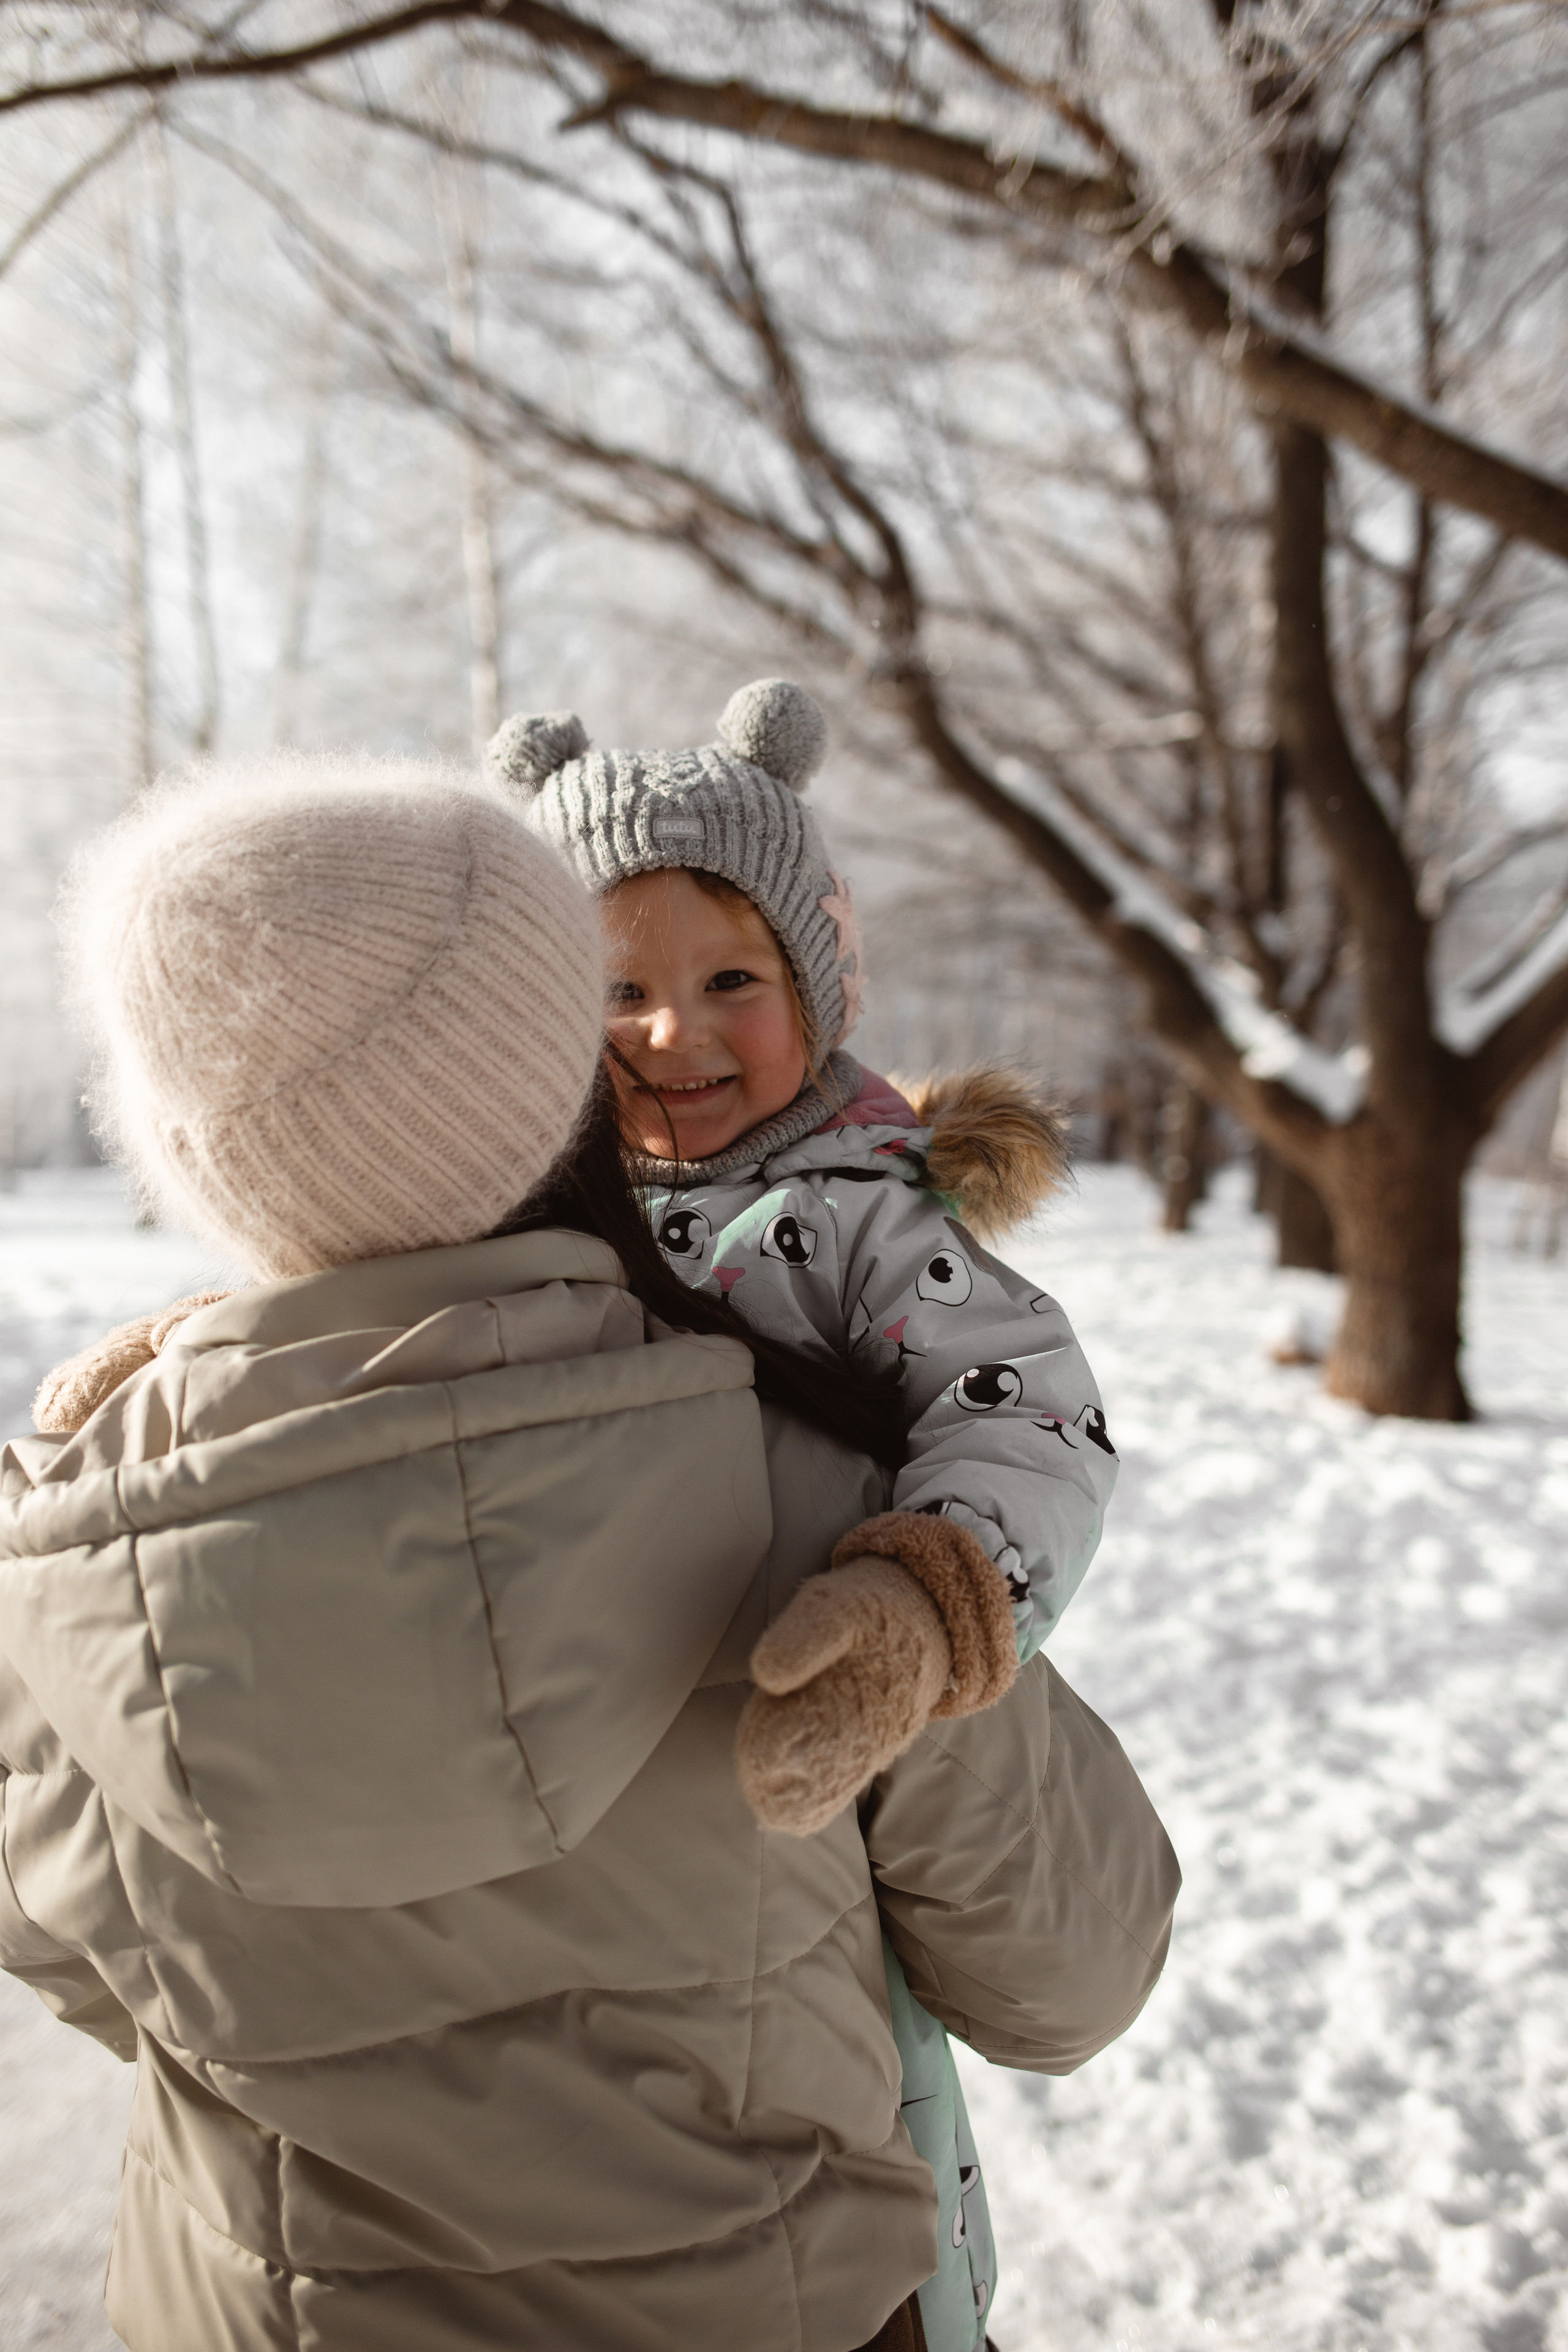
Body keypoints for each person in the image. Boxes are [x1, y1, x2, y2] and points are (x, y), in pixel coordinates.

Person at [3, 753, 1179, 2352]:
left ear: (202, 1148)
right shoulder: (815, 1517)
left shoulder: (63, 1570)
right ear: (546, 1057)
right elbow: (1071, 1974)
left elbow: (83, 1967)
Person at [482, 678, 1132, 2345]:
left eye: (731, 982)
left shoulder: (859, 1220)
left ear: (818, 986)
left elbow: (1030, 1417)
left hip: (823, 1762)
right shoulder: (506, 1209)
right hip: (599, 1780)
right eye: (612, 989)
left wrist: (930, 1601)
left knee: (856, 2112)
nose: (671, 1036)